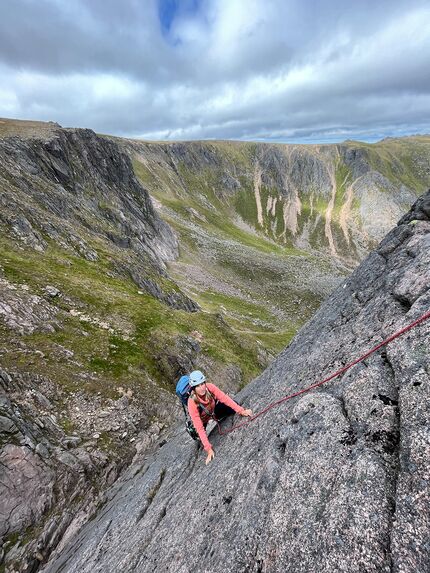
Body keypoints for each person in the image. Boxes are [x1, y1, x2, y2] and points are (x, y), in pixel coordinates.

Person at [187, 370, 252, 465]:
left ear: (205, 382)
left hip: (212, 412)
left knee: (234, 406)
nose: (201, 388)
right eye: (197, 386)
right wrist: (208, 449)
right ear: (193, 388)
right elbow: (199, 427)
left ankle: (219, 416)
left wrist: (241, 410)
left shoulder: (210, 387)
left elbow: (224, 398)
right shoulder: (192, 403)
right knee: (200, 437)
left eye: (202, 384)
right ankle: (199, 438)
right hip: (202, 420)